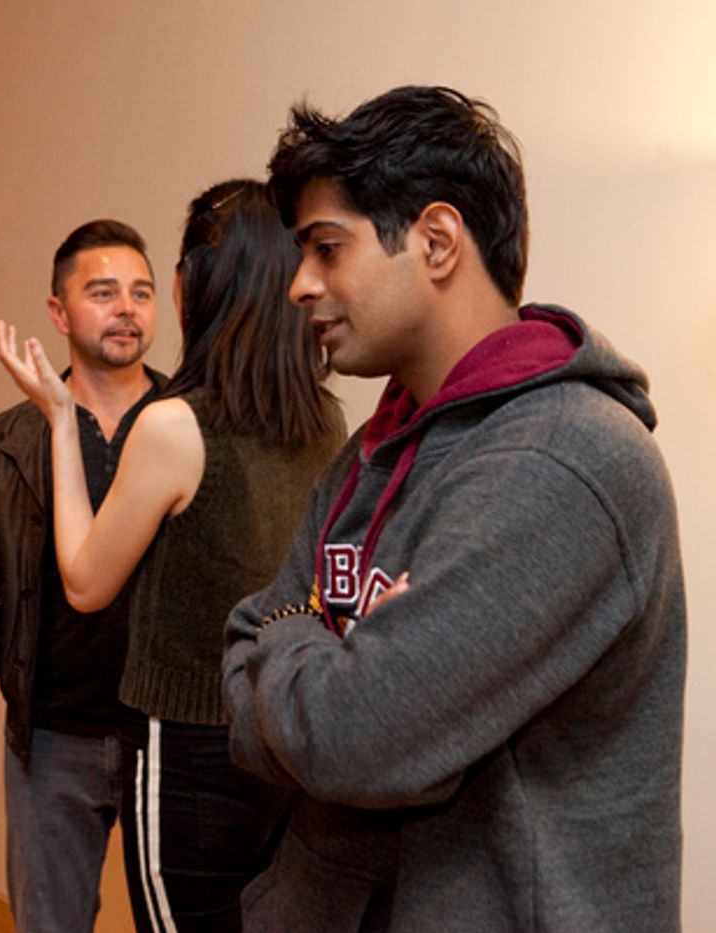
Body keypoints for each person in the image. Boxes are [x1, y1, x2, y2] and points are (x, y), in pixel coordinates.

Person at [223, 85, 686, 931]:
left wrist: (300, 644)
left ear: (436, 241)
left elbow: (354, 737)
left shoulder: (565, 461)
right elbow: (246, 656)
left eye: (327, 248)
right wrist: (318, 647)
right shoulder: (373, 446)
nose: (299, 285)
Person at [0, 181, 343, 931]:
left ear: (200, 287)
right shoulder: (325, 422)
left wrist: (60, 421)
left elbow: (86, 581)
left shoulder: (175, 426)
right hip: (286, 735)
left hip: (187, 749)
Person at [0, 219, 163, 932]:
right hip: (51, 740)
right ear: (59, 314)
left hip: (165, 736)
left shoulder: (186, 425)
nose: (127, 308)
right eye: (103, 292)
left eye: (141, 292)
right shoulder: (6, 442)